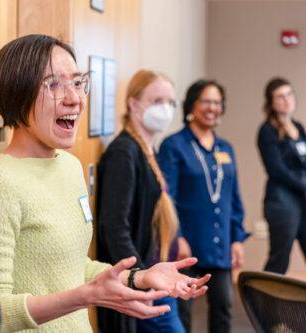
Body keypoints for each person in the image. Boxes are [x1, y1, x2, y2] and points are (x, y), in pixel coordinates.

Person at [0, 34, 210, 333]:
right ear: (16, 92)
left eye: (78, 83)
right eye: (53, 84)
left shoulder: (69, 166)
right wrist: (83, 297)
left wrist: (140, 277)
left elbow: (75, 268)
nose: (74, 98)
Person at [97, 69, 192, 333]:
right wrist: (140, 277)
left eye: (170, 102)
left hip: (156, 276)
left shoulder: (147, 148)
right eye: (156, 101)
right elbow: (114, 225)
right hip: (145, 281)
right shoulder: (124, 153)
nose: (165, 109)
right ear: (133, 103)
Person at [158, 79, 249, 333]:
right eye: (206, 101)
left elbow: (234, 198)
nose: (212, 108)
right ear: (192, 105)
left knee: (223, 310)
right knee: (183, 313)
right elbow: (167, 199)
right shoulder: (174, 146)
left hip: (220, 245)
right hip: (187, 246)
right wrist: (178, 238)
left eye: (218, 103)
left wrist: (237, 239)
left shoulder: (225, 148)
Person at [257, 77, 306, 274]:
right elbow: (276, 170)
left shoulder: (299, 127)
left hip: (303, 199)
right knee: (280, 257)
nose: (286, 100)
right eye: (280, 97)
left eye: (289, 94)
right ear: (271, 103)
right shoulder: (267, 130)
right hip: (282, 200)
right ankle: (264, 304)